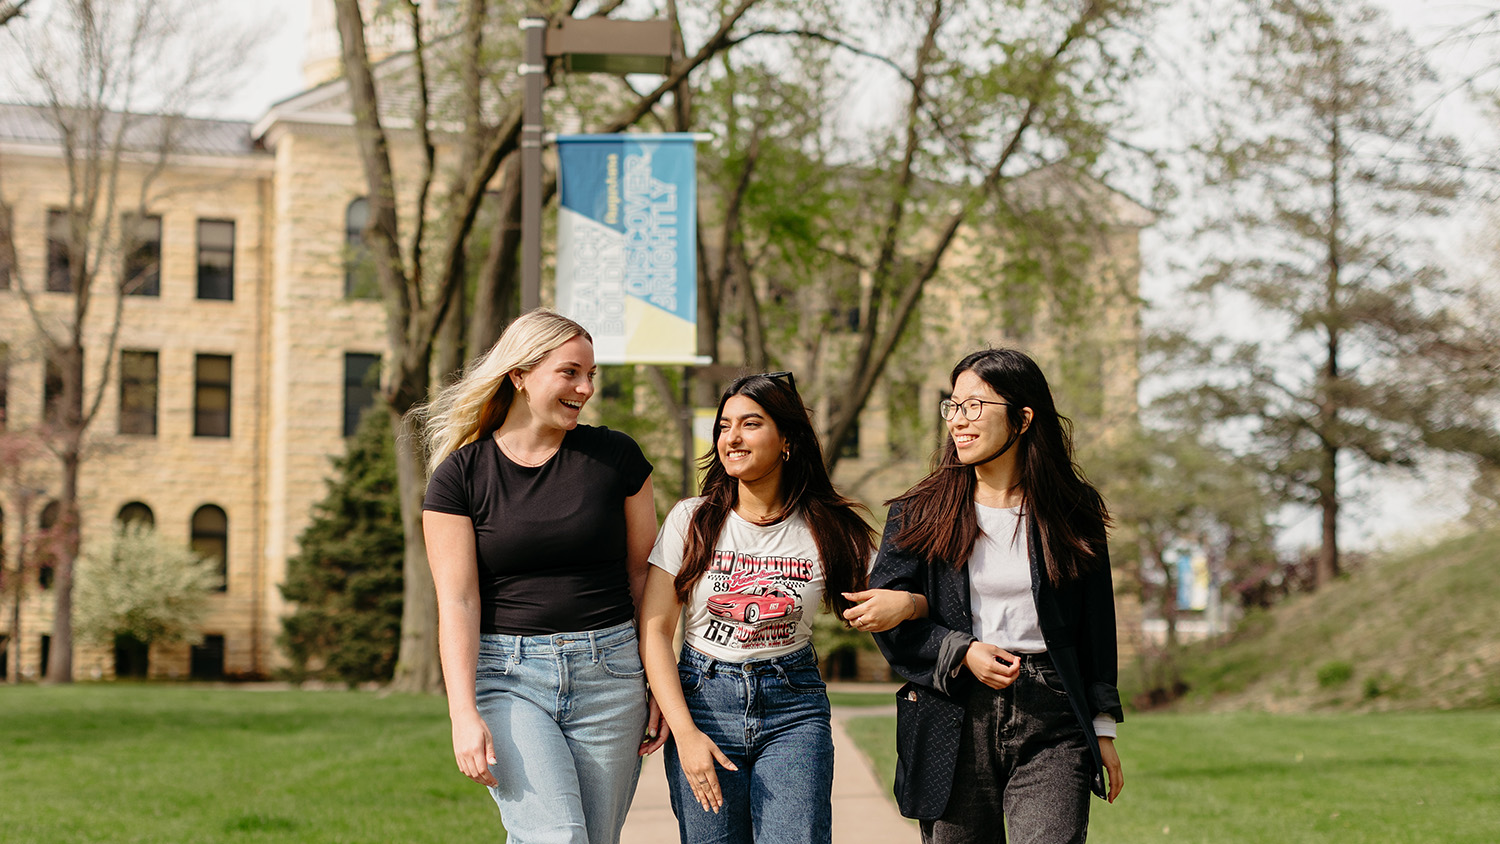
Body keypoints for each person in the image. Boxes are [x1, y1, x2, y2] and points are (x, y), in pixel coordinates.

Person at [419, 309, 667, 844]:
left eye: (592, 375)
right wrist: (462, 712)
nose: (586, 387)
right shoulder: (460, 477)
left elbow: (644, 580)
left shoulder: (615, 457)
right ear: (519, 374)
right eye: (571, 372)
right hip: (508, 679)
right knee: (559, 837)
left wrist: (660, 684)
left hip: (613, 675)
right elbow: (457, 602)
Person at [863, 348, 1125, 844]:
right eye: (953, 407)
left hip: (1052, 714)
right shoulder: (918, 511)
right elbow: (890, 618)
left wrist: (1104, 727)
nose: (958, 422)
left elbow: (1097, 625)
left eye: (974, 407)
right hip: (953, 713)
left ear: (1023, 419)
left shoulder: (1074, 509)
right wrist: (961, 650)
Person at [638, 371, 881, 844]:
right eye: (725, 425)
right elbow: (654, 629)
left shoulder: (829, 528)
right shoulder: (693, 519)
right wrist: (686, 735)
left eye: (750, 424)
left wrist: (908, 601)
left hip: (793, 707)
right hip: (704, 702)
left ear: (786, 440)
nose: (732, 437)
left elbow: (892, 592)